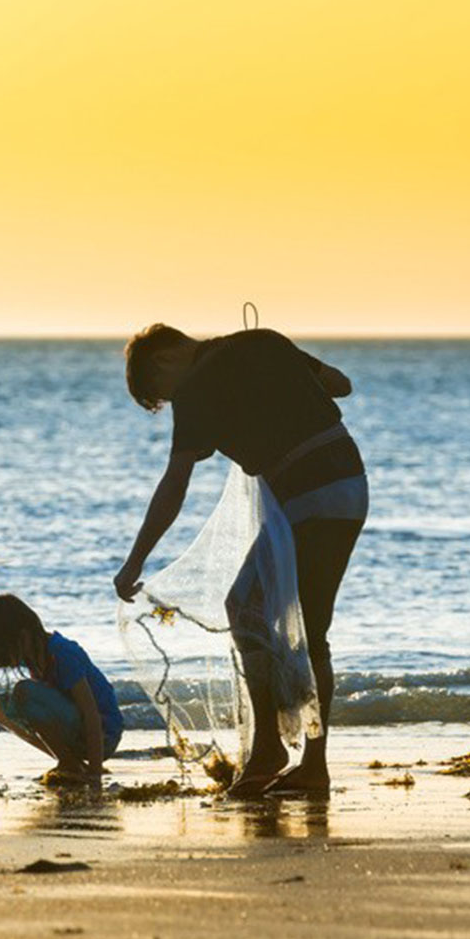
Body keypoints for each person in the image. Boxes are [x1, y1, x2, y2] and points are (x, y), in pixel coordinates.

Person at [114, 324, 367, 796]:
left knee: (247, 610)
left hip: (311, 498)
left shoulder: (194, 386)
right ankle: (309, 763)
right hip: (348, 490)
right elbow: (340, 385)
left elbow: (175, 485)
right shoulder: (264, 341)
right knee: (308, 630)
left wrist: (135, 561)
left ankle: (275, 750)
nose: (171, 402)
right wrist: (275, 374)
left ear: (164, 361)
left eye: (160, 394)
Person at [0, 594, 123, 781]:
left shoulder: (63, 653)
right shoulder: (26, 650)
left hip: (103, 734)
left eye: (4, 650)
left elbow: (91, 712)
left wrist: (95, 773)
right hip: (75, 731)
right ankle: (69, 761)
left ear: (23, 636)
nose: (3, 658)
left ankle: (71, 763)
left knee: (24, 691)